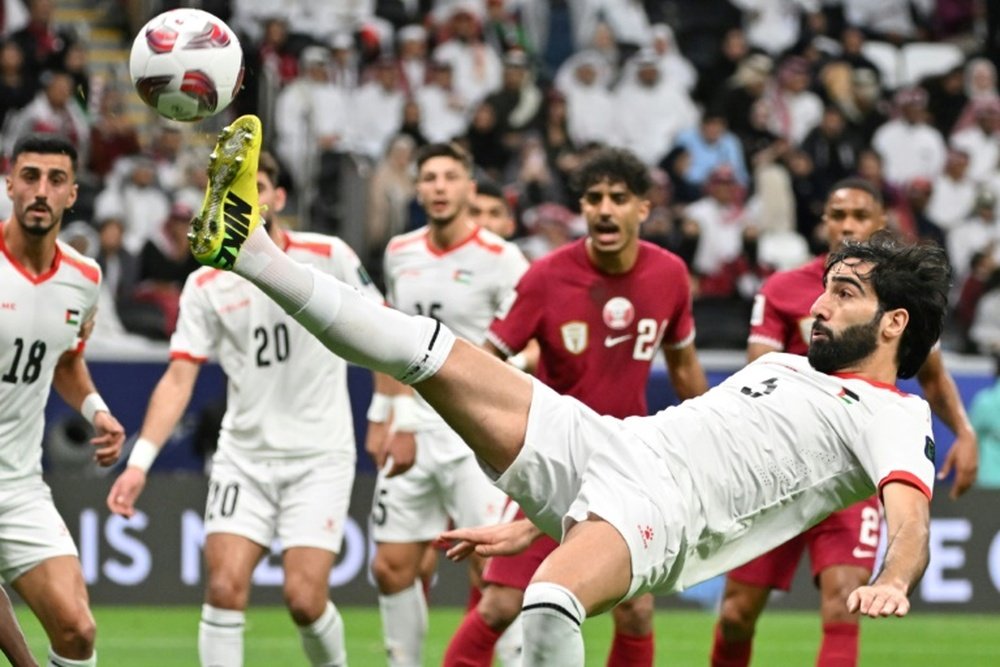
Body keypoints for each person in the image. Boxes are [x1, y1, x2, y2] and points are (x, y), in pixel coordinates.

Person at [188, 115, 950, 665]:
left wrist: (891, 576)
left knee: (548, 603)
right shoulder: (785, 366)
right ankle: (247, 247)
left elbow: (908, 517)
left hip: (661, 514)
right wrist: (539, 519)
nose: (817, 303)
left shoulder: (893, 413)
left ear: (894, 323)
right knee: (427, 349)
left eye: (843, 293)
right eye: (825, 287)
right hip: (604, 443)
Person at [106, 152, 381, 667]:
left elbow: (382, 331)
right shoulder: (206, 283)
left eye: (257, 187)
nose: (247, 198)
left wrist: (392, 414)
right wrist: (139, 462)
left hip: (319, 456)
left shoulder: (330, 255)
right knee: (225, 586)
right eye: (234, 190)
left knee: (304, 600)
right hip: (245, 458)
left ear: (277, 198)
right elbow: (179, 377)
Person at [444, 148, 709, 667]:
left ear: (643, 209)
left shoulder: (670, 274)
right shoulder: (545, 277)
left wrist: (713, 443)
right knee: (499, 604)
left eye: (618, 198)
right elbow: (482, 365)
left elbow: (683, 370)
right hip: (553, 459)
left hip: (628, 465)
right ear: (581, 208)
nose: (604, 209)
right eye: (593, 199)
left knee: (636, 612)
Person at [710, 178, 980, 667]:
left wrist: (964, 431)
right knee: (734, 614)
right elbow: (754, 375)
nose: (847, 224)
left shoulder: (900, 295)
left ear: (879, 221)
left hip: (846, 471)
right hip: (777, 474)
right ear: (825, 221)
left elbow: (934, 378)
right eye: (838, 215)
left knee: (843, 602)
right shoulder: (784, 288)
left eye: (859, 215)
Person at [362, 142, 528, 666]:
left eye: (450, 177)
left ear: (469, 188)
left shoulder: (503, 261)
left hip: (476, 435)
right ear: (417, 189)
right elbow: (391, 339)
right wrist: (381, 415)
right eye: (428, 177)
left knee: (490, 571)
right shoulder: (399, 252)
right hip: (410, 425)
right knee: (391, 565)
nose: (438, 186)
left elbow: (526, 344)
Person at [1, 133, 125, 666]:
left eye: (55, 180)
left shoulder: (83, 278)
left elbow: (66, 360)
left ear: (72, 194)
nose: (40, 191)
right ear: (10, 184)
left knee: (77, 631)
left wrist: (98, 411)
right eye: (30, 176)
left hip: (18, 482)